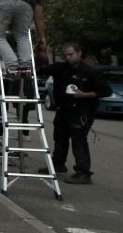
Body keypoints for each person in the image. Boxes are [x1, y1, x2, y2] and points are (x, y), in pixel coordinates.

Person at [40, 42, 112, 184]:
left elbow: (106, 91)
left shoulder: (91, 72)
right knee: (60, 138)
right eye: (65, 55)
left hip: (82, 111)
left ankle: (83, 173)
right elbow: (42, 70)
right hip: (63, 109)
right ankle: (58, 164)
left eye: (71, 54)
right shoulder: (61, 68)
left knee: (78, 141)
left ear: (79, 53)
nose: (68, 57)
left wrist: (84, 95)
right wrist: (41, 55)